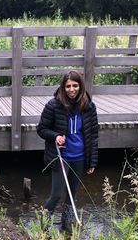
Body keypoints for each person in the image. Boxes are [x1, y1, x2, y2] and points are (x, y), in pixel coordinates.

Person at [37, 70, 99, 231]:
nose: (71, 89)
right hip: (60, 156)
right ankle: (42, 227)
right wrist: (56, 136)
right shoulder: (53, 105)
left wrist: (92, 160)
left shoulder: (89, 106)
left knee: (72, 194)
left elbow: (93, 135)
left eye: (75, 86)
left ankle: (67, 225)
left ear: (81, 86)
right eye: (68, 86)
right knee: (56, 194)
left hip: (79, 157)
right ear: (63, 88)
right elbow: (41, 129)